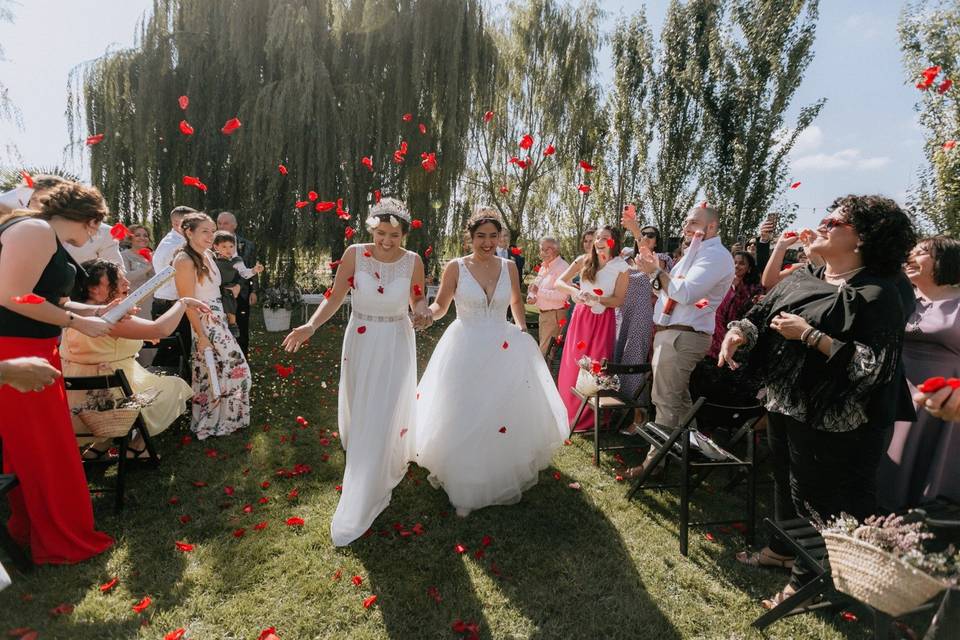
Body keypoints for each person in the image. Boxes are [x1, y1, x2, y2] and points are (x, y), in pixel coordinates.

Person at [717, 195, 917, 608]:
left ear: (861, 239)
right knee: (786, 483)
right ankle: (782, 549)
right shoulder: (804, 275)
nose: (822, 223)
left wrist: (812, 336)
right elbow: (758, 317)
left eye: (835, 221)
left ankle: (812, 583)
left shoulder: (879, 294)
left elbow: (874, 368)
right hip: (785, 401)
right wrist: (738, 334)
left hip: (835, 418)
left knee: (820, 498)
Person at [283, 199, 431, 545]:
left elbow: (418, 300)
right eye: (381, 233)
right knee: (362, 404)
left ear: (403, 234)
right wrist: (311, 325)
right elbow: (335, 297)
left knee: (386, 405)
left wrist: (422, 313)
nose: (387, 240)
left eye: (394, 234)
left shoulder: (413, 262)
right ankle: (368, 452)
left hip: (396, 339)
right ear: (372, 230)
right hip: (361, 338)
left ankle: (373, 475)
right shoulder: (355, 253)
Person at [414, 208, 569, 517]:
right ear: (470, 238)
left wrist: (523, 329)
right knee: (466, 409)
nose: (487, 243)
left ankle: (499, 470)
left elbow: (515, 301)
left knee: (500, 409)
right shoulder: (455, 267)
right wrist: (428, 315)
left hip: (503, 344)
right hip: (465, 344)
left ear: (501, 238)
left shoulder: (510, 266)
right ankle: (466, 483)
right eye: (481, 236)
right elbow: (442, 305)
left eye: (493, 236)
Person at [0, 182, 115, 564]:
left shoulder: (44, 235)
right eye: (96, 227)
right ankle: (57, 540)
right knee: (43, 450)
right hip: (16, 354)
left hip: (35, 349)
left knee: (41, 449)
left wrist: (94, 313)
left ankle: (38, 532)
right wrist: (75, 322)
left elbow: (53, 299)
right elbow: (13, 294)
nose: (95, 235)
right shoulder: (33, 230)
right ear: (90, 219)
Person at [62, 259, 205, 459]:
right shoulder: (112, 316)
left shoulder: (76, 314)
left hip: (75, 400)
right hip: (111, 399)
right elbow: (161, 329)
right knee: (174, 385)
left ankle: (98, 448)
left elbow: (110, 342)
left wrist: (142, 333)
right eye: (117, 280)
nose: (126, 284)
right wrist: (183, 302)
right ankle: (136, 447)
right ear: (94, 289)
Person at [630, 205, 735, 452]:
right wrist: (654, 273)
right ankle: (696, 452)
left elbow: (685, 294)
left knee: (664, 400)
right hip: (673, 332)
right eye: (686, 222)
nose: (685, 227)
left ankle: (654, 463)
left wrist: (656, 271)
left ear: (711, 226)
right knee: (680, 400)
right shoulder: (693, 254)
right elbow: (667, 293)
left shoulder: (715, 256)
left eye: (692, 222)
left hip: (684, 335)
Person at [878, 236, 960, 510]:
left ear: (944, 261)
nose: (910, 257)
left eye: (921, 252)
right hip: (898, 392)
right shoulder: (902, 299)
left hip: (944, 399)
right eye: (909, 252)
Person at [173, 212, 251, 440]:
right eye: (204, 231)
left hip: (219, 318)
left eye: (212, 230)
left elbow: (218, 285)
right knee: (235, 369)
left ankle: (222, 421)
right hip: (204, 322)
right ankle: (214, 420)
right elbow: (187, 303)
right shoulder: (184, 260)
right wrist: (201, 335)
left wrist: (233, 289)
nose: (210, 235)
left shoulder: (207, 254)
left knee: (217, 370)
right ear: (189, 232)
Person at [554, 224, 631, 432]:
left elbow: (618, 300)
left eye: (604, 238)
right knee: (573, 362)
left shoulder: (622, 267)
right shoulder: (583, 260)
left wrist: (597, 298)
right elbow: (558, 282)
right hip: (581, 318)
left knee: (596, 364)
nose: (599, 242)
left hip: (603, 320)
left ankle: (590, 418)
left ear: (614, 242)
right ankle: (568, 413)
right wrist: (573, 291)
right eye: (597, 238)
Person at [152, 206, 196, 377]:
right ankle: (165, 392)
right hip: (171, 304)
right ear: (178, 224)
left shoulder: (173, 240)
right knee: (173, 355)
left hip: (166, 302)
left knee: (174, 352)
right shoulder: (177, 245)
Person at [217, 211, 258, 356]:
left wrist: (254, 291)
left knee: (241, 327)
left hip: (243, 292)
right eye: (219, 223)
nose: (222, 226)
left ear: (234, 225)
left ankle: (243, 360)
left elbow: (251, 267)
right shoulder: (212, 245)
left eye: (226, 223)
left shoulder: (247, 245)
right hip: (219, 293)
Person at [212, 230, 264, 337]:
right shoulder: (212, 259)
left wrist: (254, 270)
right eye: (224, 247)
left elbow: (244, 273)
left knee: (228, 297)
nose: (228, 250)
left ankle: (232, 324)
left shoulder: (236, 261)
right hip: (214, 291)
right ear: (216, 247)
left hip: (228, 288)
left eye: (231, 246)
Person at [526, 236, 570, 355]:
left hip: (554, 316)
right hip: (544, 316)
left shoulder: (563, 267)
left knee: (545, 354)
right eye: (542, 249)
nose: (544, 253)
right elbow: (536, 286)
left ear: (556, 250)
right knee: (545, 353)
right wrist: (532, 296)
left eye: (548, 249)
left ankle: (543, 374)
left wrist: (538, 291)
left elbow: (563, 296)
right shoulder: (544, 266)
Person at [121, 224, 155, 319]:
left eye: (145, 235)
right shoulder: (124, 255)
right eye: (138, 235)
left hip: (150, 301)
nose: (142, 238)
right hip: (132, 300)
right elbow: (126, 277)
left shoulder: (152, 255)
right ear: (130, 238)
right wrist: (146, 268)